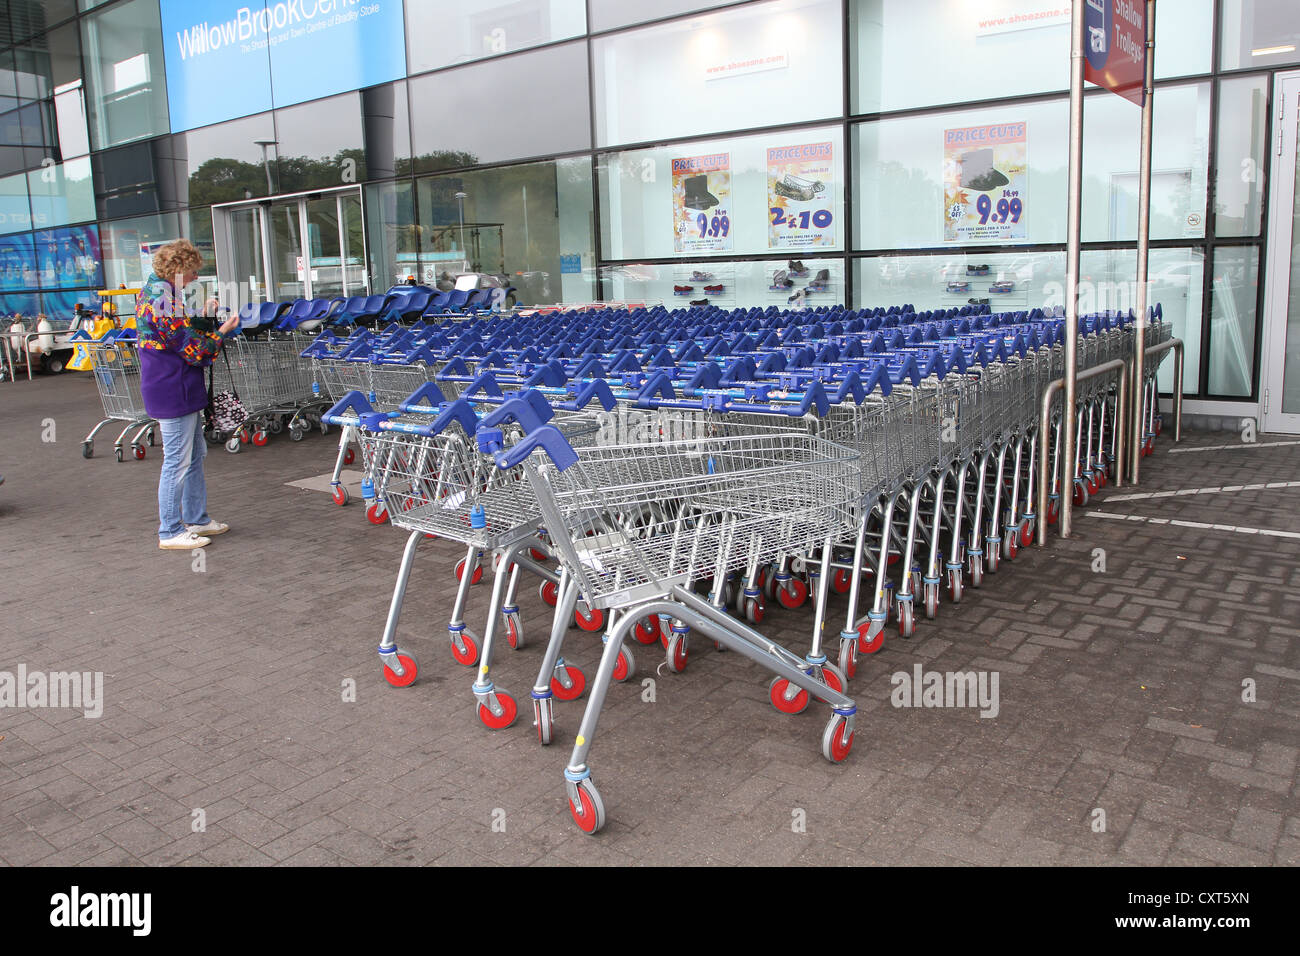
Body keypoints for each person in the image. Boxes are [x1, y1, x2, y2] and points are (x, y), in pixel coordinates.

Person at [136, 239, 241, 550]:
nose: (196, 277)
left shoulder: (159, 293)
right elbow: (194, 350)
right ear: (177, 270)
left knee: (193, 456)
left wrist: (200, 318)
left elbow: (176, 334)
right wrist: (221, 331)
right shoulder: (163, 299)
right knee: (178, 462)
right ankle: (169, 531)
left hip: (173, 385)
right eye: (193, 272)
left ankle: (196, 518)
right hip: (173, 387)